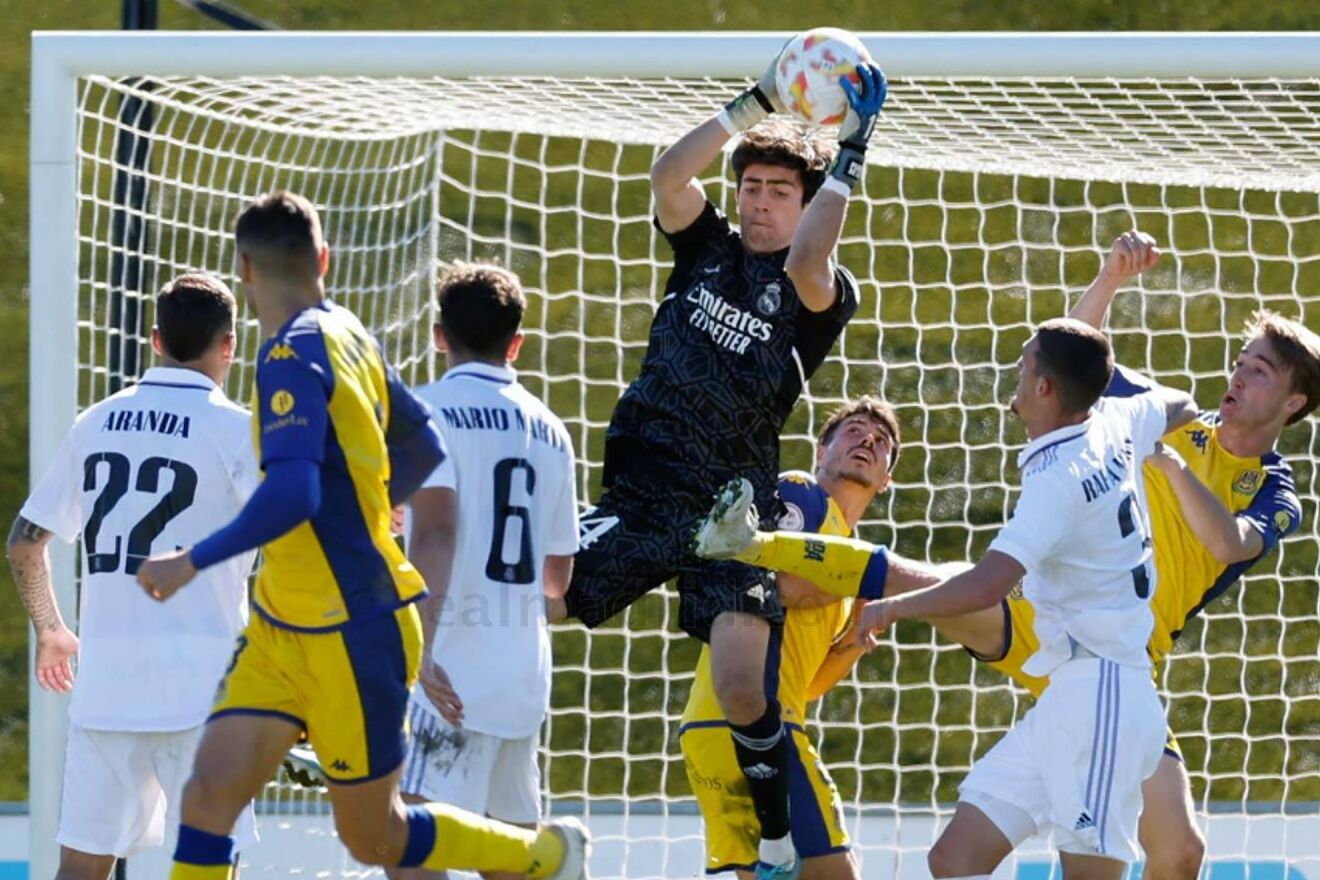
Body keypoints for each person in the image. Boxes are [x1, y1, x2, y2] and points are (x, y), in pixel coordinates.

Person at [695, 233, 1317, 879]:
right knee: (924, 588)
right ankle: (756, 545)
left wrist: (1167, 457)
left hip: (1115, 665)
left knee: (1180, 852)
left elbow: (1226, 542)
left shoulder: (1261, 482)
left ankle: (767, 549)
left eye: (1260, 370)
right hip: (1047, 628)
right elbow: (1089, 359)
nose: (1238, 375)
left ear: (1294, 402)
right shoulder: (1145, 423)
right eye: (1241, 361)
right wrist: (1108, 278)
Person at [133, 192, 587, 880]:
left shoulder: (290, 355)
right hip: (283, 626)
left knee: (376, 836)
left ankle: (542, 855)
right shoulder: (348, 331)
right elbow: (423, 445)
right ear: (324, 258)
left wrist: (190, 561)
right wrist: (367, 505)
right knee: (206, 797)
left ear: (245, 271)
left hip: (355, 625)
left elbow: (295, 493)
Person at [703, 316, 1199, 877]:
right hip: (1066, 693)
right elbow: (1181, 403)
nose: (1016, 368)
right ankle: (760, 545)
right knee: (953, 860)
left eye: (1026, 361)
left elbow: (985, 586)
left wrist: (893, 608)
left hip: (1107, 689)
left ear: (1043, 388)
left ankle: (759, 545)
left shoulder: (1059, 479)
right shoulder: (1119, 416)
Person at [559, 47, 887, 880]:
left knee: (746, 690)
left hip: (730, 510)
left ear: (809, 204)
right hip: (644, 485)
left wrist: (850, 152)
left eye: (780, 192)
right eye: (752, 188)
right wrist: (756, 105)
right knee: (546, 593)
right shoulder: (704, 248)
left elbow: (812, 261)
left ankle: (775, 843)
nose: (761, 204)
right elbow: (669, 175)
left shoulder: (821, 291)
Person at [7, 274, 259, 880]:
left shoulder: (96, 421)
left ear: (154, 339)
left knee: (80, 869)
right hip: (205, 694)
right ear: (229, 345)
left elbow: (23, 544)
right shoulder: (239, 432)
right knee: (208, 867)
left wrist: (52, 630)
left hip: (107, 692)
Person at [682, 397, 971, 880]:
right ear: (822, 449)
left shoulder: (851, 561)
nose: (868, 442)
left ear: (886, 480)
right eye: (855, 431)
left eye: (882, 444)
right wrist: (858, 584)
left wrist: (855, 641)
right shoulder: (801, 495)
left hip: (718, 728)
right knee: (837, 873)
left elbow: (809, 683)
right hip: (762, 727)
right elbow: (769, 582)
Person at [388, 263, 580, 880]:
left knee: (408, 847)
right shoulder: (553, 429)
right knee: (510, 860)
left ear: (439, 334)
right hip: (522, 675)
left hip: (448, 671)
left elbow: (439, 529)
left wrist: (418, 642)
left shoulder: (427, 410)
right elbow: (558, 581)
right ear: (516, 343)